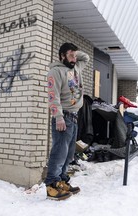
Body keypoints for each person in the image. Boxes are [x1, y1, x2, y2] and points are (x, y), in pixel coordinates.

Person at [45, 42, 90, 200]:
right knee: (59, 152)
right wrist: (58, 117)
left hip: (74, 116)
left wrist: (75, 52)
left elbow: (86, 57)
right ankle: (51, 185)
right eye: (70, 55)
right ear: (62, 55)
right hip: (63, 117)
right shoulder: (55, 72)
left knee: (69, 154)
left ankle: (62, 181)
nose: (74, 59)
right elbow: (53, 96)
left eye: (75, 56)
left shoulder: (76, 67)